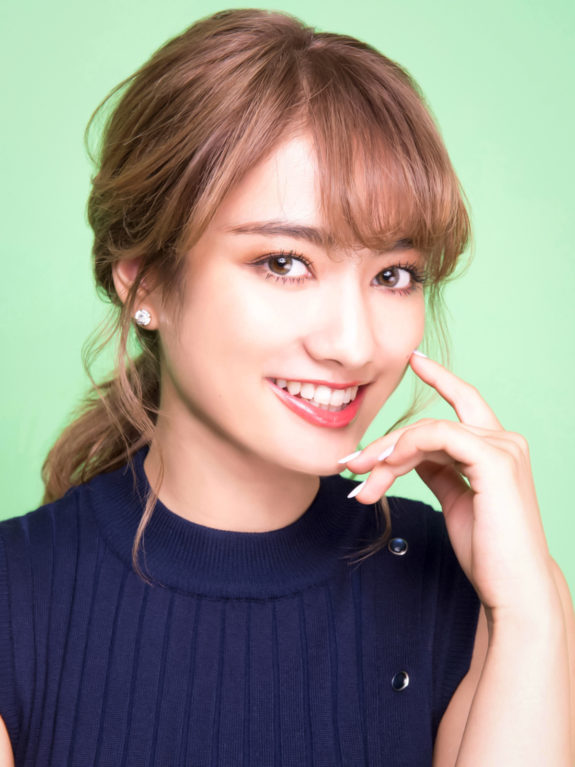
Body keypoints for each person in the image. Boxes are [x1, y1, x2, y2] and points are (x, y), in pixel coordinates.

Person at [0, 8, 573, 766]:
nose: (353, 344)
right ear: (146, 282)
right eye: (284, 263)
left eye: (393, 274)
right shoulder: (14, 600)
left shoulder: (466, 592)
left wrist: (534, 612)